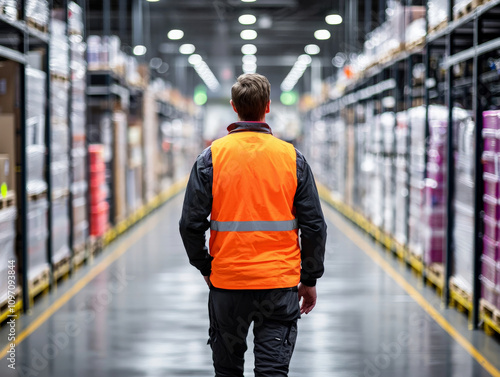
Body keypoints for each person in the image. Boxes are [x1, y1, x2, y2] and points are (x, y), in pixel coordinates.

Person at [179, 73, 327, 377]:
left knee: (228, 371)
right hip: (279, 285)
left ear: (234, 107)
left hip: (228, 284)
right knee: (272, 372)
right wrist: (309, 279)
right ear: (268, 107)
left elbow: (190, 224)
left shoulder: (211, 158)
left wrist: (206, 268)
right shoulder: (292, 159)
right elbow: (314, 226)